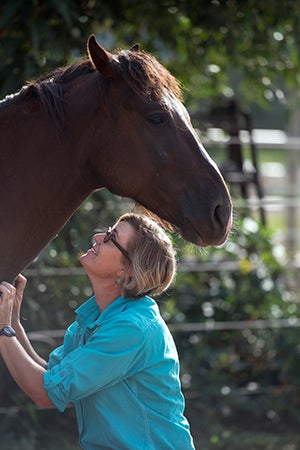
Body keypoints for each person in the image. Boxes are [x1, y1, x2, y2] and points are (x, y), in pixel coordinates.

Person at [0, 212, 195, 450]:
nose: (97, 236)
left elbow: (44, 393)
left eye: (111, 237)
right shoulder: (94, 319)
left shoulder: (131, 329)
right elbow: (50, 377)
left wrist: (4, 330)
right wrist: (12, 321)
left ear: (129, 270)